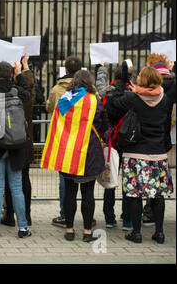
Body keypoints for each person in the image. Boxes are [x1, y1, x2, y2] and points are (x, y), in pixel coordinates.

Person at [109, 66, 174, 244]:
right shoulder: (165, 99)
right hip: (158, 153)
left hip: (135, 152)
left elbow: (113, 102)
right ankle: (159, 232)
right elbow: (166, 123)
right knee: (157, 194)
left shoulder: (133, 98)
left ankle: (136, 232)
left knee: (135, 194)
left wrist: (122, 83)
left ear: (143, 80)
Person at [42, 69, 109, 242]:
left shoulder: (64, 100)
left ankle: (70, 230)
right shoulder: (94, 101)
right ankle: (87, 232)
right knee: (88, 194)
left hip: (68, 154)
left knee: (70, 193)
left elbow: (57, 124)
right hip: (89, 153)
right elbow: (104, 125)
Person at [0, 60, 32, 239]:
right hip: (17, 146)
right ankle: (23, 227)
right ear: (11, 75)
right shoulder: (18, 92)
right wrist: (20, 74)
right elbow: (30, 93)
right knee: (17, 187)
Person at [45, 56, 96, 228]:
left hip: (67, 145)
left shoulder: (60, 93)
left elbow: (49, 108)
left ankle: (67, 221)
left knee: (68, 189)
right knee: (88, 191)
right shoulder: (93, 96)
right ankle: (88, 226)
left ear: (66, 71)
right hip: (87, 147)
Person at [97, 65, 134, 231]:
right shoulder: (133, 94)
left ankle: (109, 217)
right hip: (128, 141)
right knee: (128, 182)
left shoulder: (107, 92)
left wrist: (101, 69)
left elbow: (100, 86)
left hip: (111, 140)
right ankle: (127, 219)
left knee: (110, 179)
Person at [141, 53, 176, 226]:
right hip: (163, 136)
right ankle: (156, 215)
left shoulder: (147, 88)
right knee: (158, 178)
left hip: (146, 138)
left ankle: (148, 212)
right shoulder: (172, 83)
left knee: (146, 177)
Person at [1, 54, 34, 227]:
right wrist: (23, 68)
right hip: (24, 140)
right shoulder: (28, 95)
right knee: (24, 180)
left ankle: (9, 214)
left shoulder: (9, 92)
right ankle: (26, 215)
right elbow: (28, 83)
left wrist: (17, 72)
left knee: (9, 180)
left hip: (7, 138)